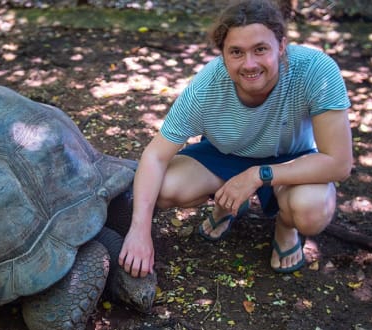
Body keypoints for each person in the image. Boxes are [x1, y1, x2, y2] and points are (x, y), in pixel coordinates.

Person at [118, 0, 353, 278]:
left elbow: (339, 163)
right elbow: (155, 155)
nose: (249, 64)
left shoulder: (316, 70)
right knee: (167, 187)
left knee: (311, 212)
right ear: (223, 55)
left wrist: (258, 175)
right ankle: (227, 202)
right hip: (225, 156)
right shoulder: (207, 85)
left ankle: (285, 225)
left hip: (293, 159)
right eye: (236, 52)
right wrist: (139, 231)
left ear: (281, 46)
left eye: (261, 49)